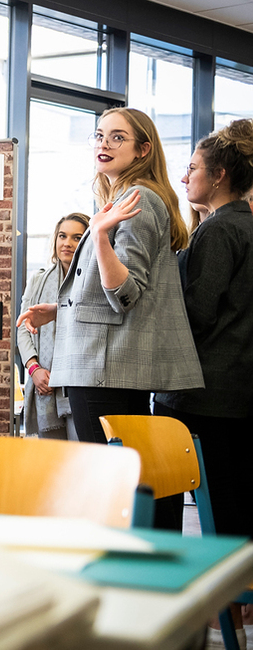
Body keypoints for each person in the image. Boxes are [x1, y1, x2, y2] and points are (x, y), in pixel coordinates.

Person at [17, 107, 203, 448]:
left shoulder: (138, 198)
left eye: (118, 137)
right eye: (100, 135)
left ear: (142, 150)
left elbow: (126, 292)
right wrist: (59, 310)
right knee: (131, 475)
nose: (105, 144)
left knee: (110, 479)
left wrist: (99, 234)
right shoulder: (121, 198)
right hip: (105, 363)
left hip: (103, 366)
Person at [153, 119, 253, 543]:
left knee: (214, 508)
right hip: (238, 391)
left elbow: (198, 314)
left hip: (205, 394)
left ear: (219, 176)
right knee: (236, 502)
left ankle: (218, 599)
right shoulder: (244, 225)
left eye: (192, 167)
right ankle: (238, 604)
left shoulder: (219, 230)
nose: (183, 176)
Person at [17, 212, 89, 440]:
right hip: (44, 386)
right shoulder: (38, 280)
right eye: (62, 236)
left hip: (81, 382)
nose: (67, 243)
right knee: (53, 462)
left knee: (80, 457)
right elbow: (23, 328)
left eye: (77, 237)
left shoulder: (93, 280)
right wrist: (34, 369)